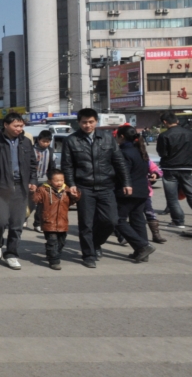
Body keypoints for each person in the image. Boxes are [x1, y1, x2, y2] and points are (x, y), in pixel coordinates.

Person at [61, 108, 131, 268]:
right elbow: (67, 165)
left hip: (106, 186)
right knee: (86, 223)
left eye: (91, 122)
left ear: (96, 122)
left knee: (111, 220)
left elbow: (119, 162)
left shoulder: (108, 139)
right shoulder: (71, 140)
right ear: (79, 122)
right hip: (84, 187)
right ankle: (88, 255)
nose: (87, 125)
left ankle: (95, 243)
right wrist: (71, 184)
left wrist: (127, 182)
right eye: (84, 122)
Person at [0, 112, 38, 270]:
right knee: (0, 221)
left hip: (20, 188)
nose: (19, 128)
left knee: (17, 224)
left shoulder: (25, 142)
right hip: (0, 189)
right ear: (6, 125)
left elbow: (33, 164)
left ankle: (11, 254)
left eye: (21, 126)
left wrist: (33, 181)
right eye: (16, 126)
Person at [114, 126, 157, 263]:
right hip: (142, 190)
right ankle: (142, 252)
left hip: (128, 191)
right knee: (138, 220)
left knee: (117, 220)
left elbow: (122, 173)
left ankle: (143, 246)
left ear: (121, 137)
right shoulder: (140, 150)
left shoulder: (123, 152)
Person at [32, 169, 80, 269]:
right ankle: (54, 260)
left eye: (61, 180)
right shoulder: (43, 189)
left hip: (62, 221)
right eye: (56, 180)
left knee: (61, 242)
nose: (59, 183)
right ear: (50, 181)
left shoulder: (66, 190)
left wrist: (75, 195)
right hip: (48, 221)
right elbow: (36, 199)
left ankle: (52, 253)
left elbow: (72, 201)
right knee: (52, 241)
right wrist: (34, 192)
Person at [156, 111, 192, 231]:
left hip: (170, 168)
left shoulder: (164, 136)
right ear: (176, 121)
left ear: (165, 122)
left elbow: (162, 153)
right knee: (190, 194)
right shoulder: (189, 133)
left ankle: (178, 221)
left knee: (172, 197)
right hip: (187, 167)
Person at [27, 130, 54, 232]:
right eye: (44, 141)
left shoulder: (50, 151)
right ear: (38, 140)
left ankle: (37, 223)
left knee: (42, 203)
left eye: (48, 141)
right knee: (31, 202)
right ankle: (24, 218)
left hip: (44, 180)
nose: (46, 143)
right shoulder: (31, 150)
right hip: (32, 180)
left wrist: (52, 179)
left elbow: (52, 166)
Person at [145, 160, 166, 243]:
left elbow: (157, 169)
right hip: (125, 191)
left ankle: (156, 235)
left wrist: (155, 173)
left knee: (150, 213)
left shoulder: (145, 158)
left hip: (144, 191)